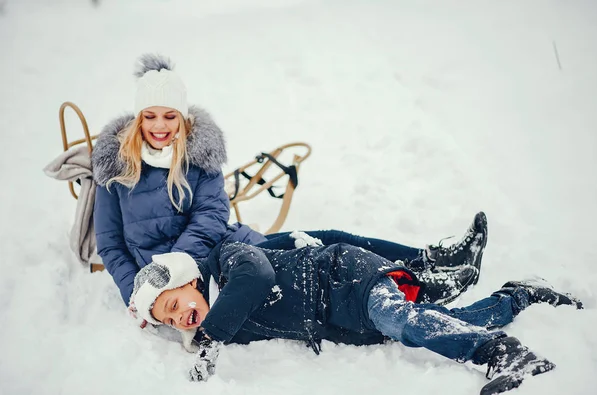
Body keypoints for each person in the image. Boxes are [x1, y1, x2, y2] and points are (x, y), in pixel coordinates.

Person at [91, 53, 484, 310]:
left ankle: (432, 259)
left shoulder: (198, 152)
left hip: (231, 247)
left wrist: (179, 259)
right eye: (151, 116)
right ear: (138, 118)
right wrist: (137, 291)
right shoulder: (116, 167)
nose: (160, 126)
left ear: (183, 119)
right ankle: (422, 287)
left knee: (329, 238)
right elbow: (110, 243)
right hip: (205, 277)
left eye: (169, 116)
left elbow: (212, 215)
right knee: (330, 268)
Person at [129, 243, 583, 395]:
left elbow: (260, 274)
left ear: (191, 280)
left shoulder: (228, 263)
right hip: (349, 321)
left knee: (401, 319)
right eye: (171, 321)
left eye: (174, 304)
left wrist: (210, 338)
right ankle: (519, 295)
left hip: (348, 279)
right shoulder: (222, 323)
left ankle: (501, 353)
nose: (180, 318)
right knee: (439, 322)